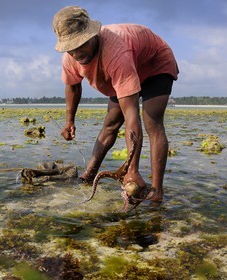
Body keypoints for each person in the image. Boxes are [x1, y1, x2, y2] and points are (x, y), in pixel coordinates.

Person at [52, 6, 179, 205]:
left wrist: (132, 170)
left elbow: (131, 115)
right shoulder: (70, 58)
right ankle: (88, 176)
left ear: (92, 35)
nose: (77, 53)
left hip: (154, 65)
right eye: (71, 48)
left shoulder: (116, 51)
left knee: (152, 122)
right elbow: (73, 87)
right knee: (110, 124)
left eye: (81, 44)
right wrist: (69, 121)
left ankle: (157, 193)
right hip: (126, 70)